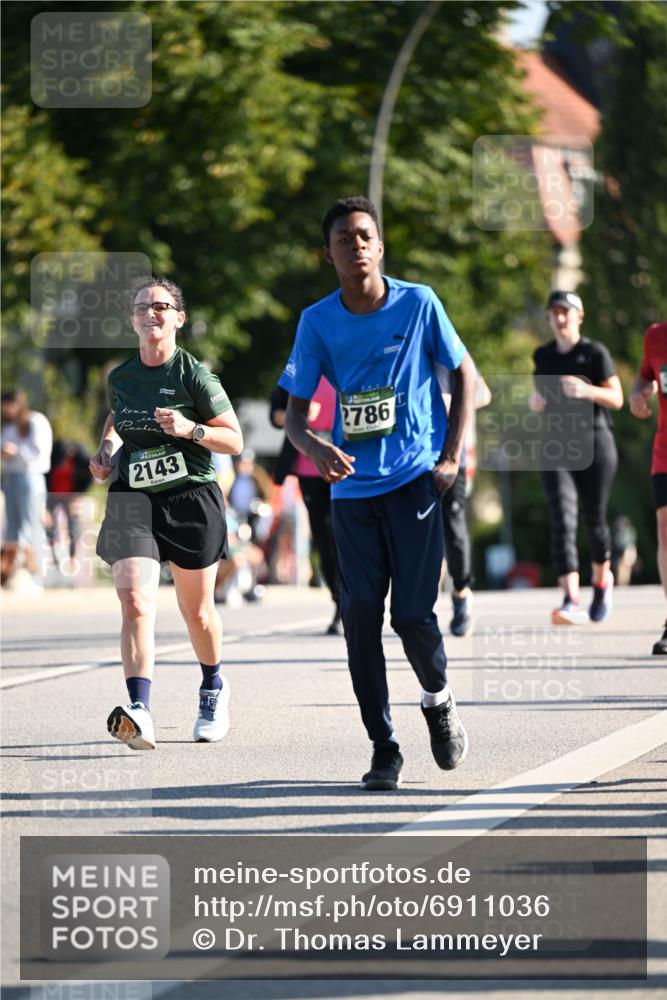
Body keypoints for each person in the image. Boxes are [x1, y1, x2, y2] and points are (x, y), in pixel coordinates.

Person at [280, 195, 475, 791]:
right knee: (360, 618)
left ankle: (438, 700)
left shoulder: (419, 303)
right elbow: (294, 418)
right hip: (352, 493)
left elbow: (464, 374)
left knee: (412, 616)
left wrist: (450, 456)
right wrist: (316, 448)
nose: (356, 245)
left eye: (365, 236)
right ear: (329, 254)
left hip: (415, 480)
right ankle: (384, 746)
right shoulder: (317, 321)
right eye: (344, 239)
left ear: (380, 246)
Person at [90, 277, 243, 750]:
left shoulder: (195, 376)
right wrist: (106, 450)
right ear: (133, 320)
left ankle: (213, 687)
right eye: (142, 307)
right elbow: (117, 418)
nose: (150, 313)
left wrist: (191, 429)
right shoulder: (120, 377)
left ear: (178, 318)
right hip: (133, 498)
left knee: (196, 612)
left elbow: (234, 439)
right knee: (135, 601)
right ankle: (139, 709)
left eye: (160, 306)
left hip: (190, 497)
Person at [530, 290, 623, 625]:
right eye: (554, 312)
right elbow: (540, 393)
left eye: (565, 312)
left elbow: (617, 398)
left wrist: (586, 390)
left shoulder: (594, 353)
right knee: (562, 518)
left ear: (579, 316)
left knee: (594, 518)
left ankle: (601, 581)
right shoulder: (542, 355)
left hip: (595, 440)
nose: (559, 318)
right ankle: (570, 599)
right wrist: (536, 401)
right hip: (556, 443)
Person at [270, 379, 342, 635]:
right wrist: (297, 414)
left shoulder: (348, 364)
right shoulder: (299, 369)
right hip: (309, 469)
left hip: (347, 465)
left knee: (343, 536)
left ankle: (356, 599)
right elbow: (275, 415)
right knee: (324, 539)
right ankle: (339, 601)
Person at [437, 365, 492, 636]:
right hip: (413, 459)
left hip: (454, 457)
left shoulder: (451, 353)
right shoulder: (404, 352)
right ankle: (422, 607)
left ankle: (461, 592)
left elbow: (484, 395)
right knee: (421, 530)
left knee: (453, 526)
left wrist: (456, 401)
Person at [629, 320, 667, 654]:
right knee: (665, 531)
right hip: (665, 452)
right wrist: (638, 392)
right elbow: (646, 375)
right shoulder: (655, 336)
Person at [1, 389, 53, 588]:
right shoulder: (9, 427)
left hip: (31, 476)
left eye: (10, 405)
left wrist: (16, 451)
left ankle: (35, 575)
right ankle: (11, 574)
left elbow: (39, 452)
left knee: (30, 524)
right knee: (13, 527)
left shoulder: (36, 421)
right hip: (11, 476)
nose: (7, 409)